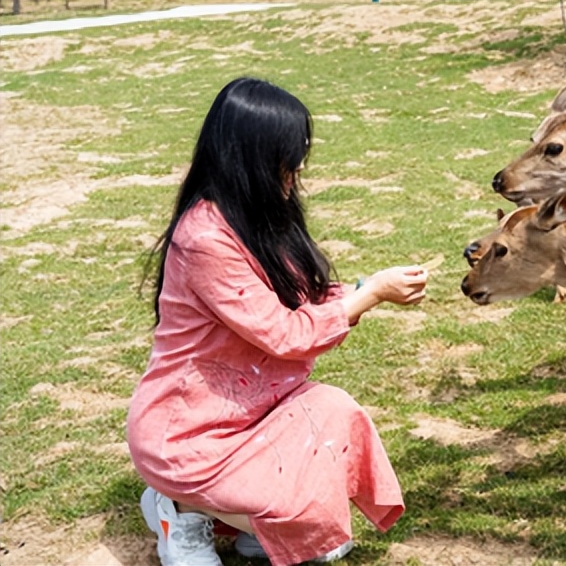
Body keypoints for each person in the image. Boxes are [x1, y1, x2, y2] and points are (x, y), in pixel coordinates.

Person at [127, 77, 430, 565]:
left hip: (257, 408)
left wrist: (362, 288)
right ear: (251, 158)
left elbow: (301, 296)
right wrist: (371, 295)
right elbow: (285, 333)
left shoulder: (261, 214)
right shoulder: (205, 237)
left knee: (334, 411)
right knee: (308, 518)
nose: (297, 171)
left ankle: (254, 524)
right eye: (288, 160)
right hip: (192, 432)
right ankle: (179, 511)